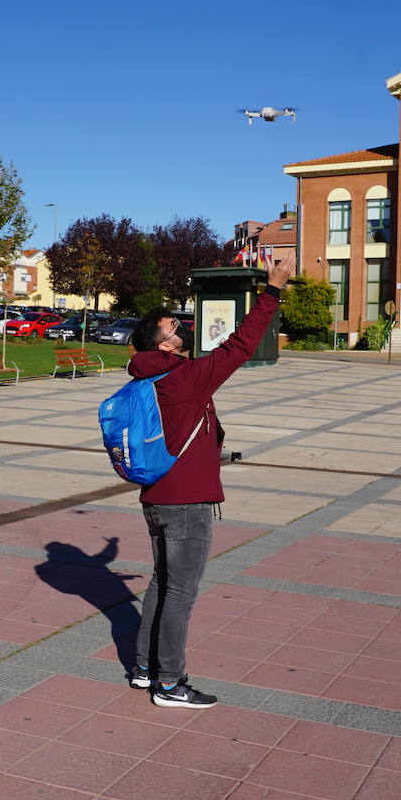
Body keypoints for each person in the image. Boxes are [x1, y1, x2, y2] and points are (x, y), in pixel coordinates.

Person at [126, 252, 293, 708]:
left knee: (162, 583)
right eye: (173, 328)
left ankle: (144, 669)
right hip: (186, 501)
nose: (182, 328)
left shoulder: (146, 377)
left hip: (156, 496)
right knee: (180, 592)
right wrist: (272, 288)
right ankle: (171, 684)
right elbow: (240, 345)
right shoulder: (184, 380)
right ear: (163, 346)